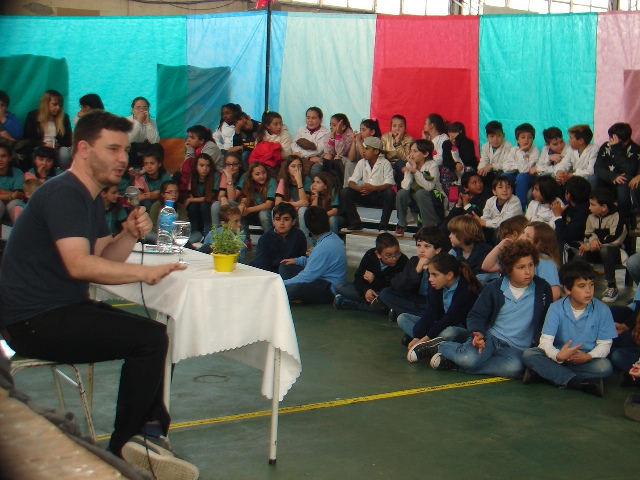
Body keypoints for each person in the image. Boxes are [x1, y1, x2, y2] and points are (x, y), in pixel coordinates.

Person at [0, 110, 193, 474]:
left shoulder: (86, 198)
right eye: (114, 149)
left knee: (154, 335)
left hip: (57, 310)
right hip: (33, 321)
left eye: (125, 150)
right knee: (150, 338)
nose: (123, 158)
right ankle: (129, 444)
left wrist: (129, 235)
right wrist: (142, 273)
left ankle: (146, 434)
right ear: (84, 149)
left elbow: (102, 255)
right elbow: (80, 265)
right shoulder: (64, 194)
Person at [429, 240, 553, 378]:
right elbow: (476, 315)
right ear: (509, 269)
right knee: (468, 359)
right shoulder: (494, 288)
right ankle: (441, 346)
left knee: (515, 368)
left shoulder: (542, 289)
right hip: (491, 338)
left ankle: (457, 364)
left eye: (531, 265)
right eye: (521, 267)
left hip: (516, 348)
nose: (528, 271)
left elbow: (546, 319)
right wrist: (478, 333)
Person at [521, 260, 616, 397]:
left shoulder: (603, 310)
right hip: (557, 356)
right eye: (581, 286)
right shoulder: (555, 308)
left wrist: (589, 356)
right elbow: (545, 341)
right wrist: (558, 355)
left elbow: (605, 344)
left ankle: (545, 374)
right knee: (529, 354)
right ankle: (578, 382)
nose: (588, 291)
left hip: (585, 360)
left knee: (604, 367)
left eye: (591, 284)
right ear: (567, 289)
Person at [403, 252, 482, 354]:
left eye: (434, 275)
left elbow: (450, 319)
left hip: (461, 328)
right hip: (441, 324)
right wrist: (417, 337)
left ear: (449, 275)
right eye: (429, 274)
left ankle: (432, 343)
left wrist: (424, 340)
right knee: (403, 318)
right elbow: (430, 312)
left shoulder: (466, 290)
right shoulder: (436, 285)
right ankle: (434, 342)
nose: (430, 279)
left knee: (450, 333)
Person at [279, 206, 347, 304]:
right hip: (320, 277)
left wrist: (281, 284)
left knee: (295, 288)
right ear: (328, 222)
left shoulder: (324, 247)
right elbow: (318, 261)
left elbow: (307, 276)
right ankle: (287, 292)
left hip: (329, 288)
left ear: (308, 229)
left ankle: (283, 291)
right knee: (286, 265)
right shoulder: (332, 237)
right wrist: (298, 260)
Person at [376, 226, 445, 319]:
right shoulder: (414, 261)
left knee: (435, 309)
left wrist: (430, 270)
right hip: (416, 299)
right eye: (419, 245)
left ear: (437, 250)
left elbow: (439, 296)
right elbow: (397, 285)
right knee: (385, 293)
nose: (421, 250)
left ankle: (408, 313)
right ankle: (418, 315)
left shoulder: (443, 264)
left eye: (427, 246)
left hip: (433, 302)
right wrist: (416, 271)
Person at [573, 188, 627, 303]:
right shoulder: (591, 217)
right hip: (596, 251)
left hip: (614, 252)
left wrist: (594, 243)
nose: (589, 208)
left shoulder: (617, 216)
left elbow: (615, 238)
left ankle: (612, 286)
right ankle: (577, 284)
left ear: (604, 207)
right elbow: (587, 233)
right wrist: (592, 241)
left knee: (605, 249)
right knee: (580, 253)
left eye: (593, 205)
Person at [334, 232, 408, 312]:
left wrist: (374, 281)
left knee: (387, 298)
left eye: (397, 253)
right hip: (371, 291)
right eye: (388, 256)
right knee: (340, 286)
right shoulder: (370, 255)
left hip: (387, 294)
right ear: (378, 254)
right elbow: (358, 277)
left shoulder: (403, 261)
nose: (394, 258)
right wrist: (366, 290)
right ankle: (378, 305)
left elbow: (396, 287)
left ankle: (356, 304)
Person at [341, 136, 395, 232]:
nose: (364, 151)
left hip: (378, 195)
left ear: (376, 151)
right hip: (364, 194)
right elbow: (352, 181)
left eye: (367, 149)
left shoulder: (385, 163)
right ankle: (355, 223)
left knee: (389, 193)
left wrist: (374, 188)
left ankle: (383, 226)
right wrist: (359, 189)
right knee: (346, 192)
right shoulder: (361, 162)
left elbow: (389, 183)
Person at [395, 139, 446, 237]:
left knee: (421, 193)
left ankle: (429, 226)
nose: (411, 154)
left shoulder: (432, 165)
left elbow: (429, 187)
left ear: (425, 154)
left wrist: (415, 171)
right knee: (401, 193)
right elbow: (405, 187)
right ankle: (402, 224)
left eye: (415, 151)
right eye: (411, 151)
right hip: (416, 197)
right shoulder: (410, 164)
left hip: (434, 198)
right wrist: (410, 169)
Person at [594, 122, 639, 219]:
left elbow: (630, 170)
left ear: (625, 141)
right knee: (595, 179)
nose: (610, 141)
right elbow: (598, 167)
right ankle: (597, 213)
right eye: (610, 137)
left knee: (623, 182)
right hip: (609, 177)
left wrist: (617, 149)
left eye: (613, 139)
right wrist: (612, 176)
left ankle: (624, 218)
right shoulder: (605, 146)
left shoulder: (634, 149)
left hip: (624, 180)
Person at [250, 202, 308, 273]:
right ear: (273, 221)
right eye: (278, 219)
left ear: (293, 221)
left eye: (286, 219)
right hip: (269, 274)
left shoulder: (299, 236)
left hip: (289, 274)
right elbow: (261, 265)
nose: (281, 223)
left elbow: (300, 262)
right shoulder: (265, 239)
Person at [23, 89, 73, 169]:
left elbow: (68, 140)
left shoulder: (64, 118)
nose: (58, 108)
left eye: (60, 105)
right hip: (39, 148)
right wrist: (43, 144)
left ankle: (64, 175)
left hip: (57, 149)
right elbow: (27, 138)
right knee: (37, 153)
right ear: (46, 104)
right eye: (55, 104)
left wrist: (58, 144)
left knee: (64, 152)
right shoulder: (33, 116)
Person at [235, 161, 277, 248]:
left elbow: (268, 204)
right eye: (257, 174)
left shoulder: (271, 181)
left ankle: (271, 242)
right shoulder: (249, 183)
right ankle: (245, 241)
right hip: (254, 213)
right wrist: (242, 204)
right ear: (252, 176)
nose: (261, 176)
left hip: (269, 214)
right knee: (241, 211)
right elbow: (245, 198)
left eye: (263, 172)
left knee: (263, 214)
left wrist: (249, 209)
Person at [502, 123, 541, 208]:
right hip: (516, 174)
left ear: (533, 139)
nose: (526, 140)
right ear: (517, 140)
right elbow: (505, 167)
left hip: (530, 177)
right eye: (523, 137)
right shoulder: (513, 150)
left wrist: (520, 153)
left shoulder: (535, 150)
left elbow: (525, 170)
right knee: (504, 176)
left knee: (521, 176)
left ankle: (520, 206)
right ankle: (503, 203)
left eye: (529, 137)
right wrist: (519, 164)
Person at [552, 175, 591, 260]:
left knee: (563, 244)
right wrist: (561, 215)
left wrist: (558, 216)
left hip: (581, 244)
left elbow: (564, 235)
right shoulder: (570, 207)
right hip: (569, 240)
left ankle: (562, 272)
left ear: (569, 195)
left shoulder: (583, 212)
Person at [475, 175, 523, 242]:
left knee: (499, 231)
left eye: (508, 187)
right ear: (494, 191)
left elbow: (506, 222)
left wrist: (485, 223)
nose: (505, 190)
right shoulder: (490, 201)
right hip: (493, 227)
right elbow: (485, 218)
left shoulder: (515, 201)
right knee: (480, 230)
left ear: (511, 190)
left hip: (512, 230)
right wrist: (481, 222)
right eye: (500, 187)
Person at [181, 125, 222, 196]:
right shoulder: (195, 147)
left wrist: (190, 149)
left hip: (213, 177)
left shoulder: (211, 147)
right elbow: (186, 164)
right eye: (188, 137)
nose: (188, 140)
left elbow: (200, 166)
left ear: (201, 141)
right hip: (201, 176)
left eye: (192, 138)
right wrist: (190, 149)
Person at [251, 111, 293, 178]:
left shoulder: (285, 135)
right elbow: (257, 150)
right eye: (275, 124)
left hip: (279, 163)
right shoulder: (261, 134)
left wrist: (268, 152)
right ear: (268, 126)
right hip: (262, 161)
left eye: (280, 123)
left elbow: (285, 154)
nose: (279, 126)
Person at [292, 107, 330, 178]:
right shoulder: (301, 130)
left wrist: (302, 154)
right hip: (301, 158)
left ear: (320, 120)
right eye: (308, 118)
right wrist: (308, 157)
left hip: (317, 159)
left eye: (313, 118)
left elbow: (318, 150)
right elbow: (294, 146)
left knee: (316, 169)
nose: (310, 121)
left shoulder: (325, 133)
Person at [184, 152, 215, 240]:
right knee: (193, 206)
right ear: (196, 166)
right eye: (202, 165)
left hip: (210, 205)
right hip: (197, 206)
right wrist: (191, 200)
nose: (205, 169)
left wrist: (190, 200)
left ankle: (207, 233)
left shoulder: (214, 176)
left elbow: (209, 197)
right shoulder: (192, 176)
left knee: (204, 204)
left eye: (208, 166)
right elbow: (191, 195)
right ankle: (194, 232)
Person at [556, 124, 598, 188]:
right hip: (573, 179)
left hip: (585, 181)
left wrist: (571, 175)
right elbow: (564, 163)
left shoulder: (594, 150)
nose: (568, 140)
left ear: (581, 141)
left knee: (593, 178)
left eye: (571, 138)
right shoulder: (571, 149)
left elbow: (590, 171)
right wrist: (560, 172)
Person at [126, 97, 161, 170]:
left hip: (146, 149)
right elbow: (128, 139)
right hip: (131, 150)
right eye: (138, 108)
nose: (142, 110)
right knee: (129, 147)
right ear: (132, 109)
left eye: (145, 108)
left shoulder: (152, 122)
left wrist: (148, 123)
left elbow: (155, 141)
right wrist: (138, 122)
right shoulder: (126, 121)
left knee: (158, 147)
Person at [441, 121, 477, 192]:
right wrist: (455, 165)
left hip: (466, 167)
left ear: (461, 133)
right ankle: (451, 196)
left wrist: (460, 141)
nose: (453, 135)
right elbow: (446, 160)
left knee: (468, 170)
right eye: (451, 132)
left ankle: (466, 191)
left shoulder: (468, 143)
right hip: (454, 169)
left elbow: (469, 160)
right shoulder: (446, 144)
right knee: (446, 170)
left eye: (456, 132)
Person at [345, 118, 381, 188]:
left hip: (371, 169)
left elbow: (366, 157)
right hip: (360, 168)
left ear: (372, 132)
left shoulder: (376, 142)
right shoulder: (361, 142)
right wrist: (354, 141)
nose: (361, 132)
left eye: (364, 130)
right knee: (349, 163)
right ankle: (348, 187)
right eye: (360, 129)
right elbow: (351, 158)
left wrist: (358, 141)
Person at [321, 113, 354, 187]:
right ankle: (325, 182)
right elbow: (328, 151)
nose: (331, 127)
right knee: (327, 156)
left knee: (337, 157)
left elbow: (341, 152)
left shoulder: (350, 136)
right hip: (334, 157)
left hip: (345, 159)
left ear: (343, 126)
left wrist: (338, 134)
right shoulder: (330, 134)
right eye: (330, 125)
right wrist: (332, 137)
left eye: (334, 125)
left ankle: (340, 185)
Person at [477, 120, 512, 187]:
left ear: (503, 135)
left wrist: (491, 166)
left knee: (500, 177)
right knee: (481, 175)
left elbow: (506, 165)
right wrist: (481, 169)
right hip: (492, 172)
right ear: (487, 137)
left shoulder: (508, 146)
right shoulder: (485, 146)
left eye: (498, 135)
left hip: (503, 172)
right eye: (492, 136)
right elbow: (484, 160)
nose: (495, 139)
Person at [381, 114, 413, 186]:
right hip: (387, 165)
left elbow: (405, 158)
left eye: (400, 126)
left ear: (405, 128)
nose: (397, 129)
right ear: (391, 127)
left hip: (402, 166)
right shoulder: (385, 137)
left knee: (400, 163)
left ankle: (401, 189)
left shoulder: (409, 139)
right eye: (394, 126)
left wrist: (398, 142)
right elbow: (381, 155)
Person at [0, 141, 24, 221]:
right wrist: (11, 196)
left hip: (11, 206)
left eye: (3, 156)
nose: (0, 160)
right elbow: (14, 195)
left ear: (10, 158)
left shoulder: (17, 172)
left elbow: (19, 195)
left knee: (16, 204)